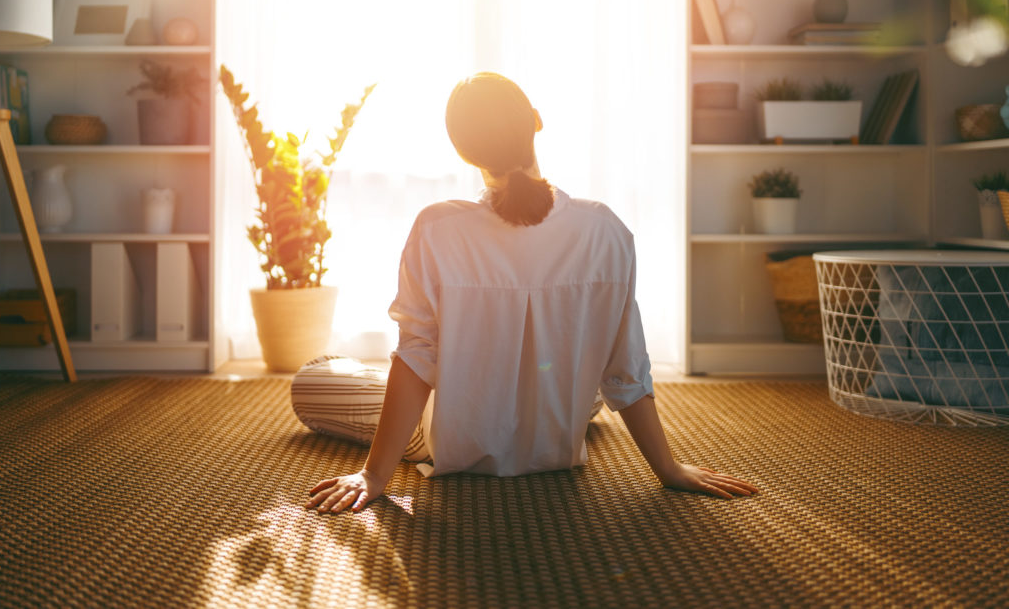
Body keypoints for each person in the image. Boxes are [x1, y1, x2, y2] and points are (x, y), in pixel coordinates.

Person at [298, 72, 758, 514]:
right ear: (535, 120)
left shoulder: (438, 228)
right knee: (581, 385)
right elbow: (625, 371)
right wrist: (668, 468)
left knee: (312, 380)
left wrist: (374, 476)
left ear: (463, 151)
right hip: (557, 436)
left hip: (454, 442)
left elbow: (418, 358)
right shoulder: (606, 231)